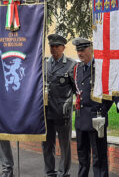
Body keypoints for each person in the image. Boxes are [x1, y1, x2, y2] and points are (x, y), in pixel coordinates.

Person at [72, 37, 112, 177]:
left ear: (90, 49)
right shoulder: (77, 68)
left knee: (99, 156)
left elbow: (110, 92)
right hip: (81, 117)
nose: (80, 53)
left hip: (96, 119)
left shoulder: (100, 67)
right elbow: (75, 90)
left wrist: (102, 110)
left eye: (82, 50)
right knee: (82, 155)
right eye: (78, 51)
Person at [42, 34, 76, 177]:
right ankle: (50, 172)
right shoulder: (44, 64)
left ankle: (63, 173)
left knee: (64, 145)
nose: (54, 49)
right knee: (47, 145)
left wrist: (70, 104)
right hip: (46, 111)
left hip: (62, 112)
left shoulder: (71, 64)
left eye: (57, 46)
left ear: (63, 47)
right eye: (51, 46)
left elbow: (77, 89)